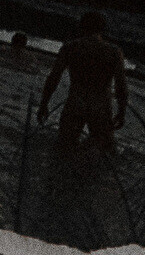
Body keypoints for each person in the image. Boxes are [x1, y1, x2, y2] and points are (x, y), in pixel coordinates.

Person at [30, 10, 128, 153]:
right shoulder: (113, 52)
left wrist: (44, 104)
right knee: (105, 152)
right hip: (100, 106)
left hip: (76, 102)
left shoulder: (70, 48)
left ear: (81, 26)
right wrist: (121, 111)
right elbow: (121, 85)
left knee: (63, 149)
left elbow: (54, 77)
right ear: (103, 29)